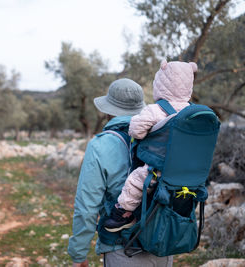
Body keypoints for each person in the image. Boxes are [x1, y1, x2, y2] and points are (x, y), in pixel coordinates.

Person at [68, 78, 173, 267]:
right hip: (162, 246)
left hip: (122, 249)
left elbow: (86, 206)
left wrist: (79, 253)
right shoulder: (163, 137)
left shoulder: (101, 145)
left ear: (108, 110)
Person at [104, 60, 198, 232]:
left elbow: (136, 131)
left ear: (160, 83)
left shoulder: (154, 110)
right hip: (189, 173)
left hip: (160, 171)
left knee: (135, 180)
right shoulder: (194, 112)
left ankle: (123, 214)